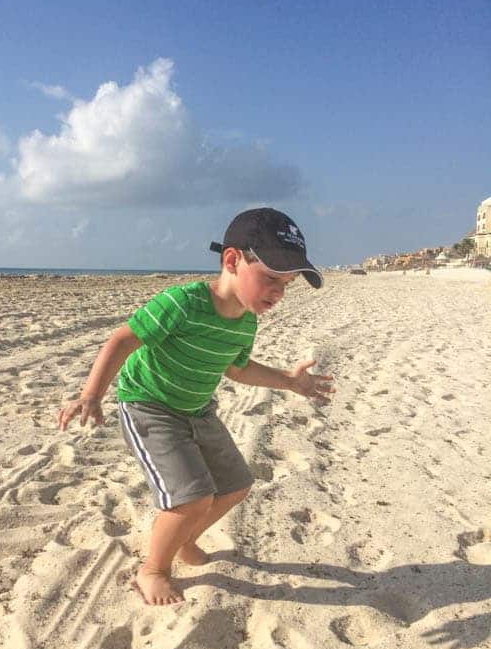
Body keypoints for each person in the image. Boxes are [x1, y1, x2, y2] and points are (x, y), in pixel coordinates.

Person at [58, 208, 335, 606]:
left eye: (287, 284)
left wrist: (289, 381)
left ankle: (185, 540)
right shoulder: (182, 303)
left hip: (198, 408)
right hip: (149, 405)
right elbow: (122, 340)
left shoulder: (245, 321)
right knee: (191, 499)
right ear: (232, 260)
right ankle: (153, 569)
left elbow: (237, 369)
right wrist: (91, 394)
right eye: (271, 278)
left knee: (236, 485)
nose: (278, 292)